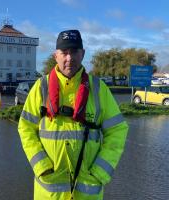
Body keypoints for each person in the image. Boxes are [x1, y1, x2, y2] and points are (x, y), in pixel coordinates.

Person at [18, 30, 128, 200]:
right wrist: (41, 166)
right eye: (64, 52)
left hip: (87, 191)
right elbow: (25, 128)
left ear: (82, 54)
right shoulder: (41, 88)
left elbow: (118, 130)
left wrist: (100, 172)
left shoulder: (99, 89)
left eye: (74, 51)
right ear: (56, 56)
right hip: (49, 192)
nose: (69, 58)